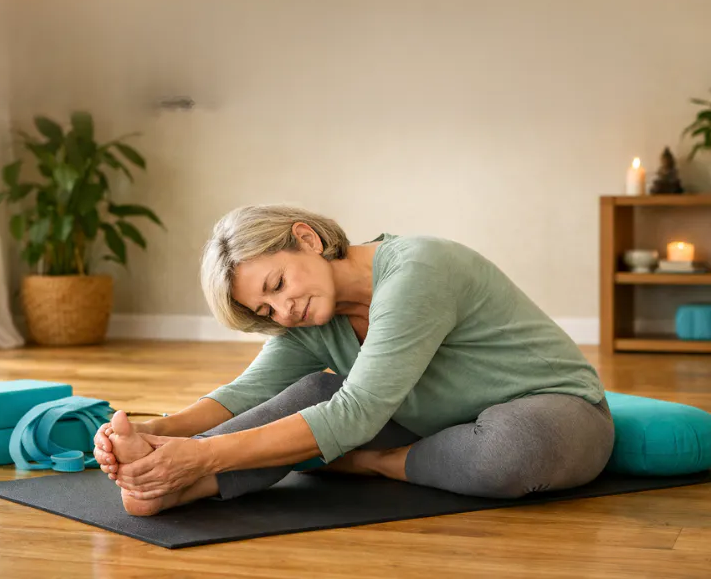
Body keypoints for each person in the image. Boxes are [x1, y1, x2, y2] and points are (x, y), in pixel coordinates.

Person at [93, 204, 614, 517]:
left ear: (308, 238)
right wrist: (159, 434)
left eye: (278, 284)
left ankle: (369, 463)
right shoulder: (308, 318)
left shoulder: (418, 270)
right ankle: (175, 485)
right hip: (426, 423)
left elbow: (358, 412)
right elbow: (244, 394)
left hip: (555, 413)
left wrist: (205, 454)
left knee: (508, 451)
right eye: (265, 309)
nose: (284, 310)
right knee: (313, 396)